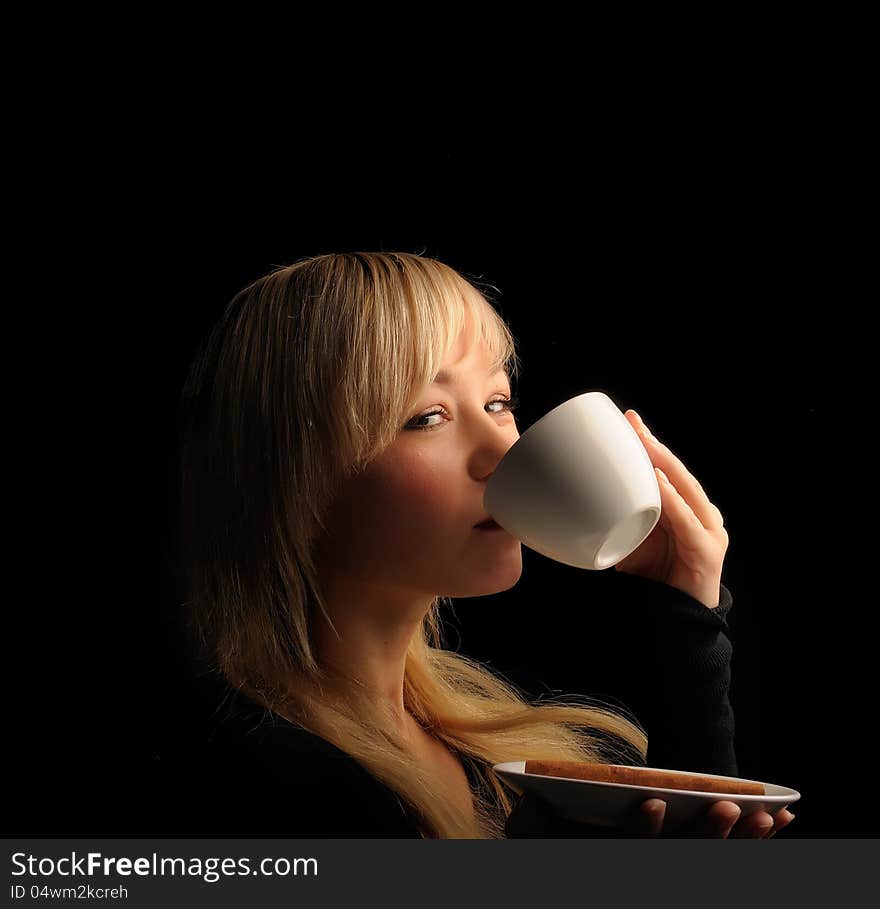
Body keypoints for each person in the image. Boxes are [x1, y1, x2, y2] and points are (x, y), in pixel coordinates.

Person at [166, 251, 795, 839]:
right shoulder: (253, 779)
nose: (505, 452)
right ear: (291, 480)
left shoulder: (491, 756)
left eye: (497, 401)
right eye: (427, 416)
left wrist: (686, 605)